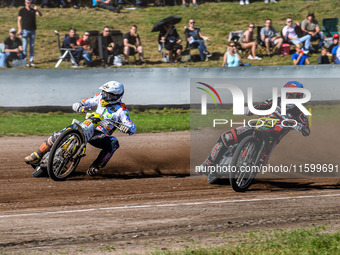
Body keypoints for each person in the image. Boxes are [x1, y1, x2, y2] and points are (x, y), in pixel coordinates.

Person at [199, 81, 310, 180]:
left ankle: (246, 168)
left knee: (259, 163)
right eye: (288, 94)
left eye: (292, 95)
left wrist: (300, 127)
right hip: (256, 126)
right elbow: (262, 106)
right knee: (226, 136)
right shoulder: (276, 100)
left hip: (272, 137)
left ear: (299, 98)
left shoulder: (300, 112)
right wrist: (250, 110)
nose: (289, 97)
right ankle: (208, 163)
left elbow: (306, 130)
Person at [24, 81, 137, 177]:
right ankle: (37, 155)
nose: (105, 96)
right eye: (104, 93)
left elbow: (132, 127)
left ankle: (96, 166)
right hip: (84, 125)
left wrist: (127, 128)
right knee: (58, 134)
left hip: (98, 134)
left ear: (117, 96)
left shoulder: (121, 110)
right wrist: (79, 105)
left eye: (109, 95)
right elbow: (84, 102)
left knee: (113, 142)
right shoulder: (98, 98)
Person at [17, 0, 42, 67]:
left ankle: (31, 60)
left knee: (32, 46)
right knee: (24, 46)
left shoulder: (33, 10)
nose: (29, 4)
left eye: (30, 3)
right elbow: (19, 20)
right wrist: (20, 29)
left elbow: (40, 15)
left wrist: (37, 9)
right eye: (28, 3)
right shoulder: (22, 10)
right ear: (25, 3)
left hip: (33, 30)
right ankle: (24, 60)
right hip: (25, 30)